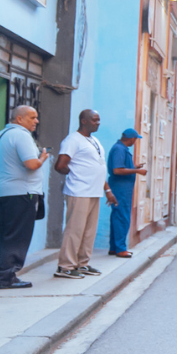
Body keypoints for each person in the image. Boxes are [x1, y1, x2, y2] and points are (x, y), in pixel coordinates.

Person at [54, 110, 118, 279]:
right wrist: (77, 174)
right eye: (95, 120)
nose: (98, 123)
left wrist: (107, 190)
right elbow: (60, 165)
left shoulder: (93, 140)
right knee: (74, 230)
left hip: (94, 191)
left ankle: (82, 263)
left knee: (89, 231)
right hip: (79, 191)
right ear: (84, 121)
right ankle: (65, 266)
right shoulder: (72, 140)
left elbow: (99, 167)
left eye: (99, 120)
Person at [0, 106, 50, 290]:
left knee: (6, 235)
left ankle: (3, 274)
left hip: (5, 193)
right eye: (32, 117)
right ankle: (6, 277)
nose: (36, 121)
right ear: (19, 119)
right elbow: (32, 164)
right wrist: (43, 157)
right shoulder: (21, 135)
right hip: (21, 194)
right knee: (18, 236)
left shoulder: (2, 135)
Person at [107, 129, 147, 258]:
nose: (135, 142)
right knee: (122, 217)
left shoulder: (121, 149)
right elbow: (117, 170)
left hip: (122, 188)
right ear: (131, 139)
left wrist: (134, 167)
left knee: (117, 216)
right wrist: (137, 172)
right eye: (135, 139)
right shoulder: (119, 149)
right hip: (120, 189)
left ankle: (114, 247)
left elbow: (122, 166)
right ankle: (120, 249)